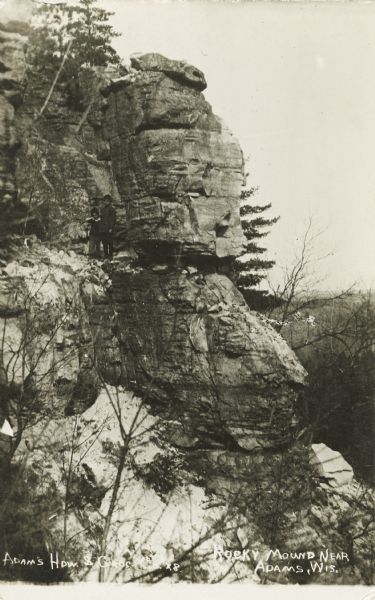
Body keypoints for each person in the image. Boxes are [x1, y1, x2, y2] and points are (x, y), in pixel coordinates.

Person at [99, 194, 116, 259]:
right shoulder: (102, 209)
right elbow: (101, 219)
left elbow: (113, 219)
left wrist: (111, 228)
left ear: (109, 201)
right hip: (103, 229)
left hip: (109, 228)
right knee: (104, 242)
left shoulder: (112, 209)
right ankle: (106, 255)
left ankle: (110, 255)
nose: (105, 202)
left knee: (110, 242)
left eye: (107, 201)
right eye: (105, 201)